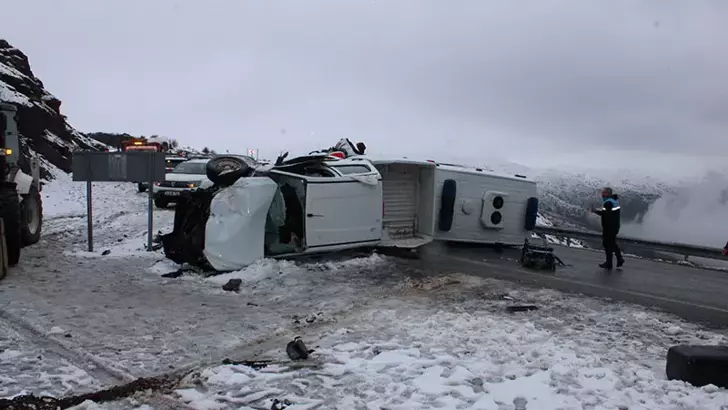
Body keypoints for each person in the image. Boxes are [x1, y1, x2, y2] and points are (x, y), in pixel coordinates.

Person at [590, 187, 625, 270]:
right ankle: (619, 259)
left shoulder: (608, 203)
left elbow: (605, 215)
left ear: (608, 194)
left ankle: (609, 263)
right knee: (612, 243)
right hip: (614, 226)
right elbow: (608, 214)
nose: (602, 195)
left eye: (604, 193)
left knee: (607, 244)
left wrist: (595, 211)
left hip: (609, 227)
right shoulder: (614, 201)